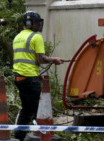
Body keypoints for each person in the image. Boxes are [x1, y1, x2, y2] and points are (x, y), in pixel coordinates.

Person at [12, 11, 64, 141]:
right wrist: (54, 60)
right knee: (38, 110)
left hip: (19, 77)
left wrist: (36, 75)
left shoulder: (17, 37)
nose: (39, 25)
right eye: (36, 23)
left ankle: (19, 136)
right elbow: (40, 59)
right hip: (28, 78)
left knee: (27, 108)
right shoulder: (36, 37)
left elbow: (25, 59)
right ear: (29, 24)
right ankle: (42, 136)